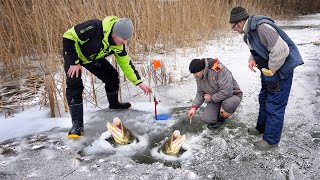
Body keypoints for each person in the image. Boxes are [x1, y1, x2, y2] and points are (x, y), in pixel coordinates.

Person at [63, 16, 152, 139]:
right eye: (124, 39)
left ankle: (114, 104)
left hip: (92, 59)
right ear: (115, 33)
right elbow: (68, 36)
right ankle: (77, 125)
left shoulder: (118, 46)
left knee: (112, 76)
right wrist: (73, 61)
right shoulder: (94, 27)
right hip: (74, 57)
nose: (125, 42)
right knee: (75, 85)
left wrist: (139, 83)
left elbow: (126, 65)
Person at [229, 7, 304, 149]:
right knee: (263, 98)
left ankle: (271, 140)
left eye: (233, 26)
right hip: (268, 70)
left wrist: (271, 69)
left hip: (281, 70)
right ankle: (261, 128)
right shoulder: (248, 33)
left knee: (274, 104)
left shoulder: (262, 27)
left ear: (240, 22)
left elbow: (281, 50)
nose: (233, 29)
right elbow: (259, 48)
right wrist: (253, 59)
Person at [187, 58, 242, 130]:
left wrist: (211, 98)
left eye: (195, 73)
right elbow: (200, 93)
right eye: (193, 74)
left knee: (228, 105)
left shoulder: (219, 69)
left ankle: (221, 119)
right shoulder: (199, 76)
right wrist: (194, 107)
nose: (194, 76)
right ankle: (219, 111)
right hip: (215, 98)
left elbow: (227, 91)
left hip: (232, 95)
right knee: (207, 119)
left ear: (202, 69)